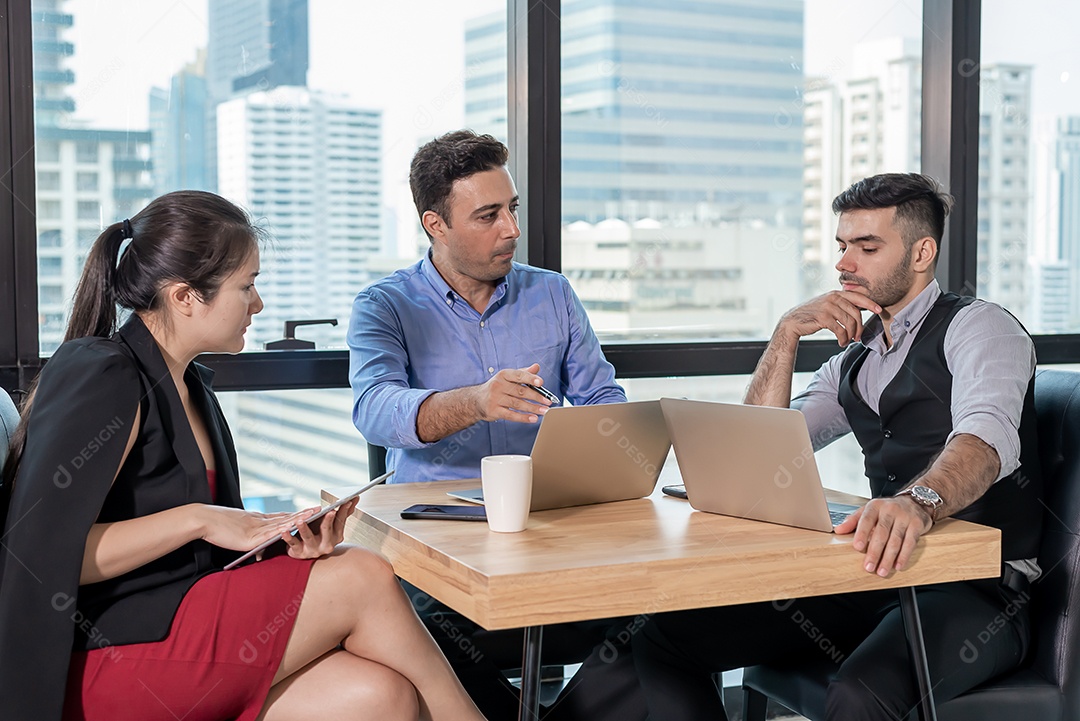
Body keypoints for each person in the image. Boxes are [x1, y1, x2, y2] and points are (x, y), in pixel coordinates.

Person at [0, 191, 486, 721]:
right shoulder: (103, 371)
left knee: (379, 694)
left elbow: (205, 556)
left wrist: (281, 547)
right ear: (186, 296)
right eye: (246, 286)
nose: (258, 304)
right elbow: (40, 556)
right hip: (108, 656)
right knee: (364, 575)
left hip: (180, 621)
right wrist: (200, 520)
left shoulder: (193, 387)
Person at [632, 173, 1042, 721]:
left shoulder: (979, 328)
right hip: (876, 573)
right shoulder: (853, 358)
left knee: (859, 693)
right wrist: (785, 335)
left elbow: (985, 440)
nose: (844, 264)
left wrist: (918, 503)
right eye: (842, 246)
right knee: (664, 638)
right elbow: (758, 450)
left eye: (867, 247)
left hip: (979, 590)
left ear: (923, 252)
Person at [348, 131, 645, 720]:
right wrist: (476, 402)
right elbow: (375, 408)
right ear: (435, 224)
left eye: (512, 209)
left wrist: (582, 427)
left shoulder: (552, 292)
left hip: (554, 528)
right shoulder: (384, 304)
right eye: (488, 215)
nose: (511, 228)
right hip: (438, 543)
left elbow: (604, 399)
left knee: (655, 622)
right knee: (420, 644)